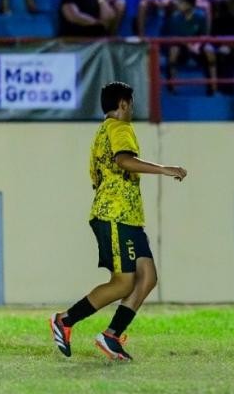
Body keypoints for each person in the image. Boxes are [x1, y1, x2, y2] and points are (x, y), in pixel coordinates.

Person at [50, 82, 188, 362]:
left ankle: (111, 336)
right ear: (124, 104)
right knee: (124, 283)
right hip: (117, 216)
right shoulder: (120, 128)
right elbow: (124, 161)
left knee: (147, 277)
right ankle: (64, 320)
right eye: (131, 105)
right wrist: (164, 169)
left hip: (126, 217)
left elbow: (96, 177)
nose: (132, 110)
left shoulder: (101, 133)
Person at [163, 0, 217, 95]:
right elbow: (175, 37)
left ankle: (213, 87)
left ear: (189, 5)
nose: (178, 5)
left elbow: (204, 35)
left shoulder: (200, 16)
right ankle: (172, 86)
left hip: (197, 47)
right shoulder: (175, 17)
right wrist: (188, 45)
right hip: (182, 47)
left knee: (209, 49)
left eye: (181, 3)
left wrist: (197, 45)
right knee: (173, 50)